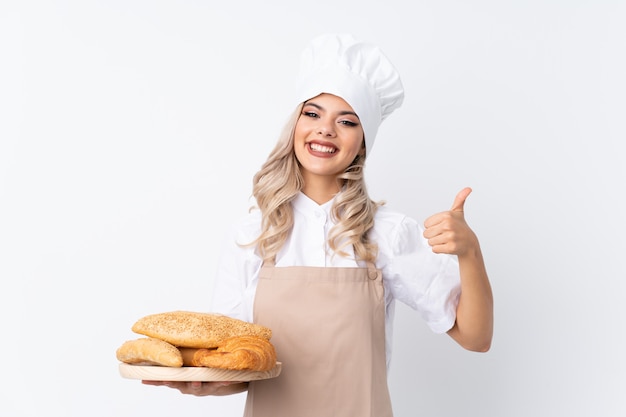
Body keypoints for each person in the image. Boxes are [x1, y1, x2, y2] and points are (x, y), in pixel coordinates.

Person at [144, 33, 493, 416]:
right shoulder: (253, 234)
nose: (325, 129)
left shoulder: (387, 233)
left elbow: (476, 337)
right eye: (312, 114)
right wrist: (203, 386)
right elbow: (238, 366)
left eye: (346, 121)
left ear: (363, 143)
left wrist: (469, 252)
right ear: (295, 125)